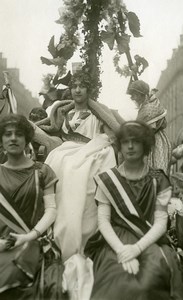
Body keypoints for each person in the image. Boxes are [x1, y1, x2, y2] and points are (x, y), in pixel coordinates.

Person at [32, 69, 124, 298]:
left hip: (90, 151)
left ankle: (83, 237)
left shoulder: (98, 113)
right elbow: (51, 128)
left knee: (77, 170)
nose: (77, 90)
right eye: (74, 86)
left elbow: (113, 133)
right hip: (65, 150)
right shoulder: (64, 111)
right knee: (58, 161)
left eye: (82, 86)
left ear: (89, 90)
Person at [85, 120, 183, 300]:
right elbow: (103, 222)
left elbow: (161, 223)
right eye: (125, 142)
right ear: (120, 145)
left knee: (152, 278)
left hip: (149, 239)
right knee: (115, 280)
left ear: (145, 145)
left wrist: (136, 249)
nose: (130, 146)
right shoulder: (107, 179)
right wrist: (121, 251)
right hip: (114, 241)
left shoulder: (158, 179)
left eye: (136, 141)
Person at [0, 114, 67, 300]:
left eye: (19, 134)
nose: (13, 138)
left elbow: (51, 210)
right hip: (1, 243)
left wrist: (30, 235)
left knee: (11, 272)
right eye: (8, 134)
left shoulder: (42, 171)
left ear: (27, 138)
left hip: (33, 241)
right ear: (2, 139)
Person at [128, 80, 172, 175]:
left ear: (141, 94)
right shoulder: (148, 105)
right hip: (154, 140)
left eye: (134, 95)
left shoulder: (148, 108)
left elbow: (150, 129)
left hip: (156, 142)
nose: (133, 98)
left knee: (157, 169)